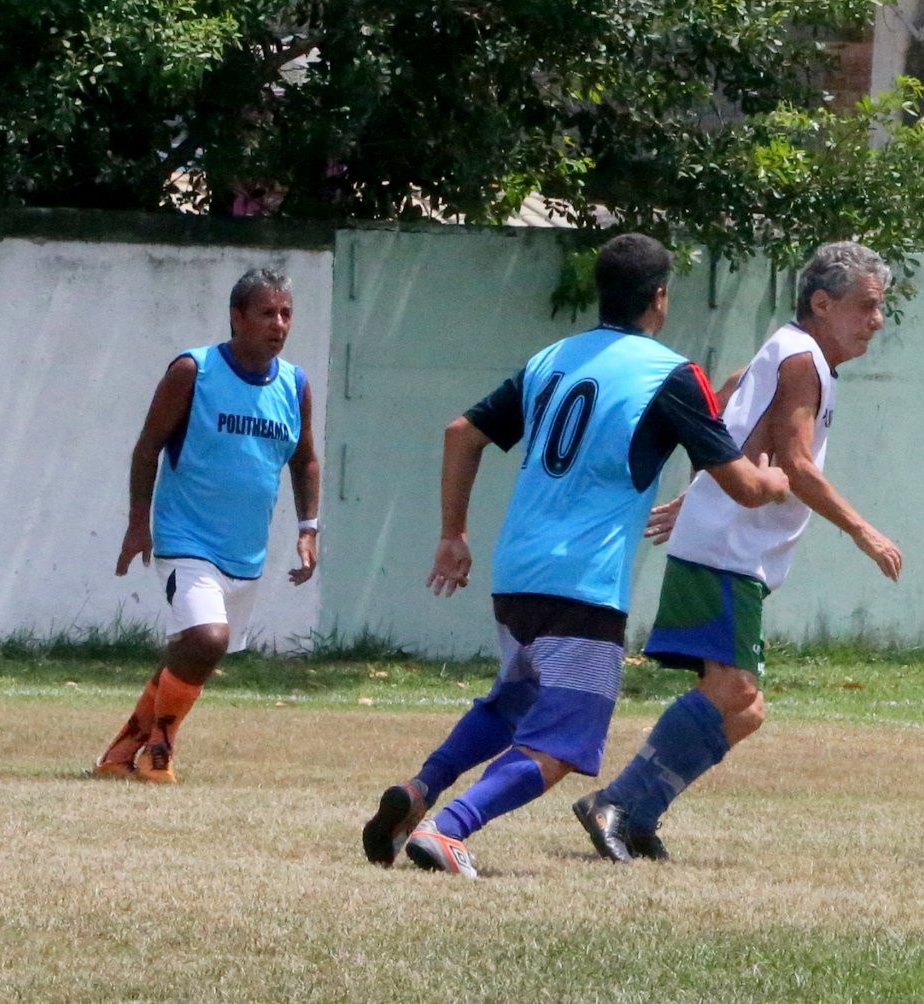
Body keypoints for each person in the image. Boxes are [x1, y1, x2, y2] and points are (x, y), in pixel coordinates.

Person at [361, 233, 790, 877]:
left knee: (513, 704)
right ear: (660, 297)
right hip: (584, 586)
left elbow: (462, 434)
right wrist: (781, 479)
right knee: (565, 740)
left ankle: (422, 790)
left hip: (517, 572)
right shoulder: (669, 375)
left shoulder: (552, 359)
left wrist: (454, 533)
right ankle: (451, 829)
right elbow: (745, 487)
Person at [573, 241, 903, 862]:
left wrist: (696, 492)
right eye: (866, 306)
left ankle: (634, 814)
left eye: (880, 308)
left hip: (727, 545)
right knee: (736, 697)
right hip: (726, 550)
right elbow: (797, 466)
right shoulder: (802, 358)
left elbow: (725, 402)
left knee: (744, 709)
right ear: (822, 303)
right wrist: (863, 530)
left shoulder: (788, 350)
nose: (876, 321)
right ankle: (614, 802)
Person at [93, 267, 322, 783]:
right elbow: (148, 446)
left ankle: (120, 752)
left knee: (194, 653)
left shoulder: (294, 384)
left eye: (286, 313)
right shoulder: (193, 372)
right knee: (207, 637)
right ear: (237, 317)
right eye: (267, 312)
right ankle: (160, 751)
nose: (279, 323)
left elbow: (305, 459)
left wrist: (308, 526)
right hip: (185, 539)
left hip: (245, 552)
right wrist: (138, 523)